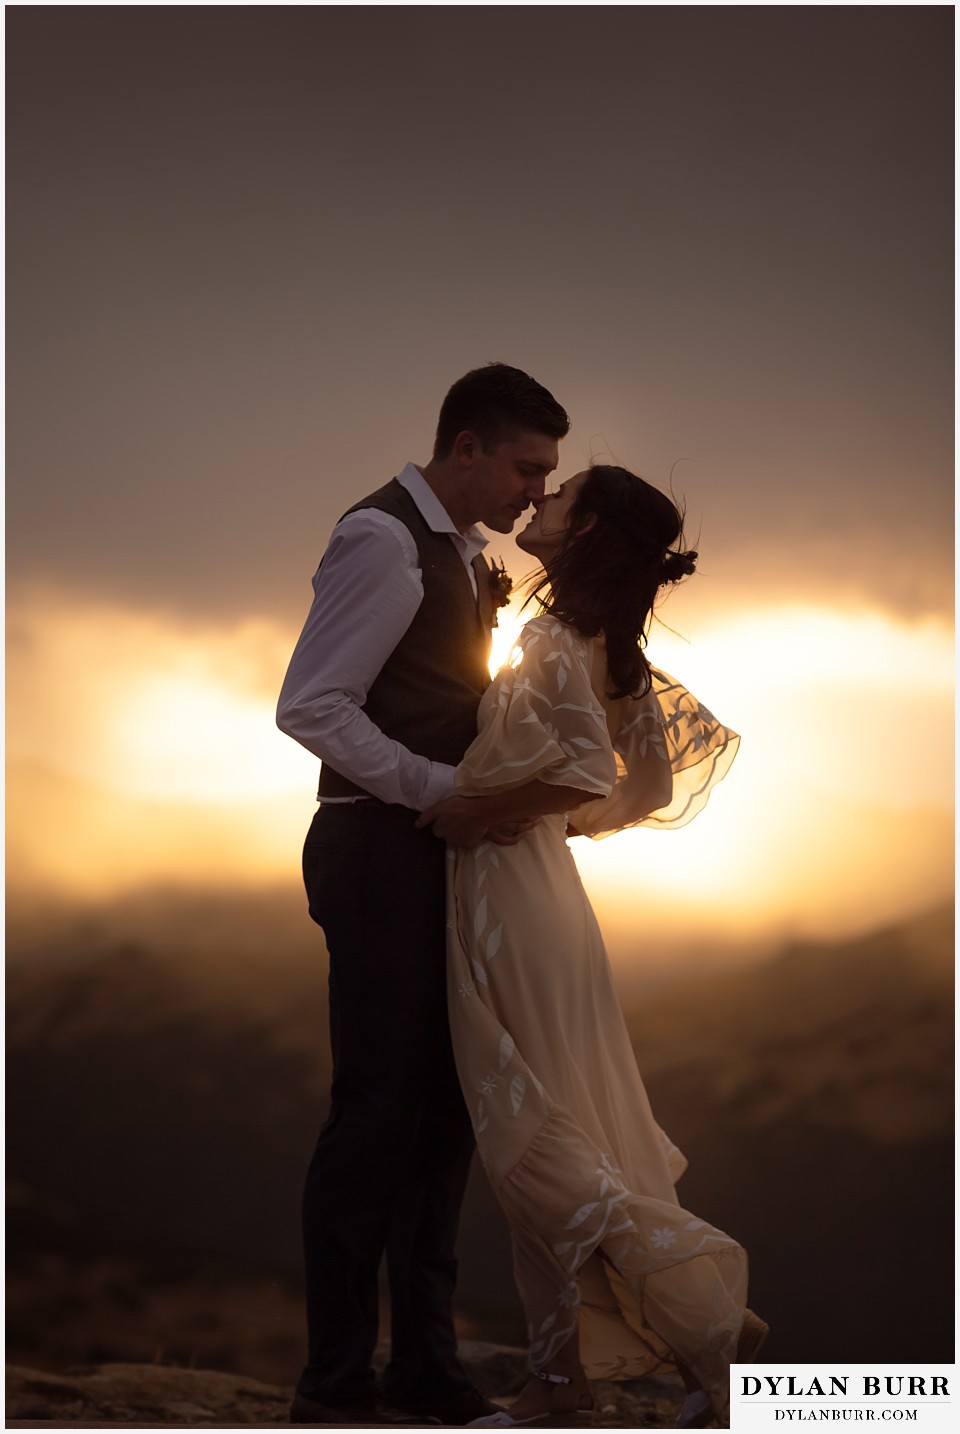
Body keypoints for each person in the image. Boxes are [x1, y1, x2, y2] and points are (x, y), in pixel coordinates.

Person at [417, 465, 767, 1428]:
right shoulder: (605, 645)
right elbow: (646, 787)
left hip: (509, 901)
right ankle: (566, 1387)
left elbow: (572, 767)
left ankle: (698, 1341)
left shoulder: (553, 638)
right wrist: (546, 825)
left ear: (589, 527)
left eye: (560, 493)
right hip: (548, 899)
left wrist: (472, 812)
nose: (542, 499)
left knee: (537, 1142)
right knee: (564, 1128)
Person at [275, 363, 570, 1426]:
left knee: (446, 1111)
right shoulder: (382, 540)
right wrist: (441, 789)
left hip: (435, 858)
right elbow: (311, 706)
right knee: (377, 1114)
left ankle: (427, 1373)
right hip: (374, 852)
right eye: (526, 467)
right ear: (466, 448)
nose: (536, 492)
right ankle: (337, 1385)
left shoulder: (458, 552)